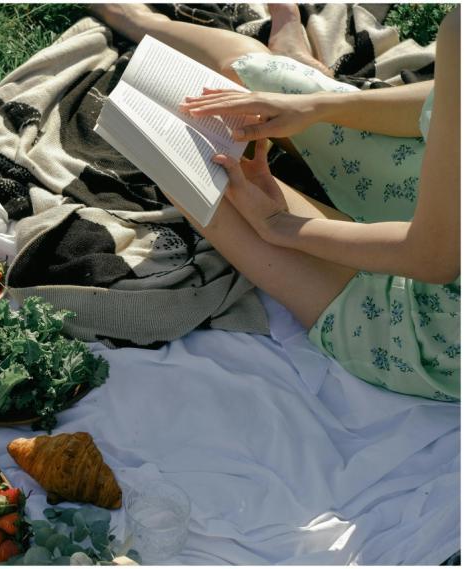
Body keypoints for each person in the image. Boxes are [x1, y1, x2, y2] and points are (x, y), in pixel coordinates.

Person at [91, 4, 459, 401]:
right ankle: (146, 23)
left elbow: (432, 259)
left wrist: (281, 226)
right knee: (246, 85)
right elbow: (447, 99)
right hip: (439, 188)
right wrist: (317, 106)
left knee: (198, 175)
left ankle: (297, 66)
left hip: (432, 318)